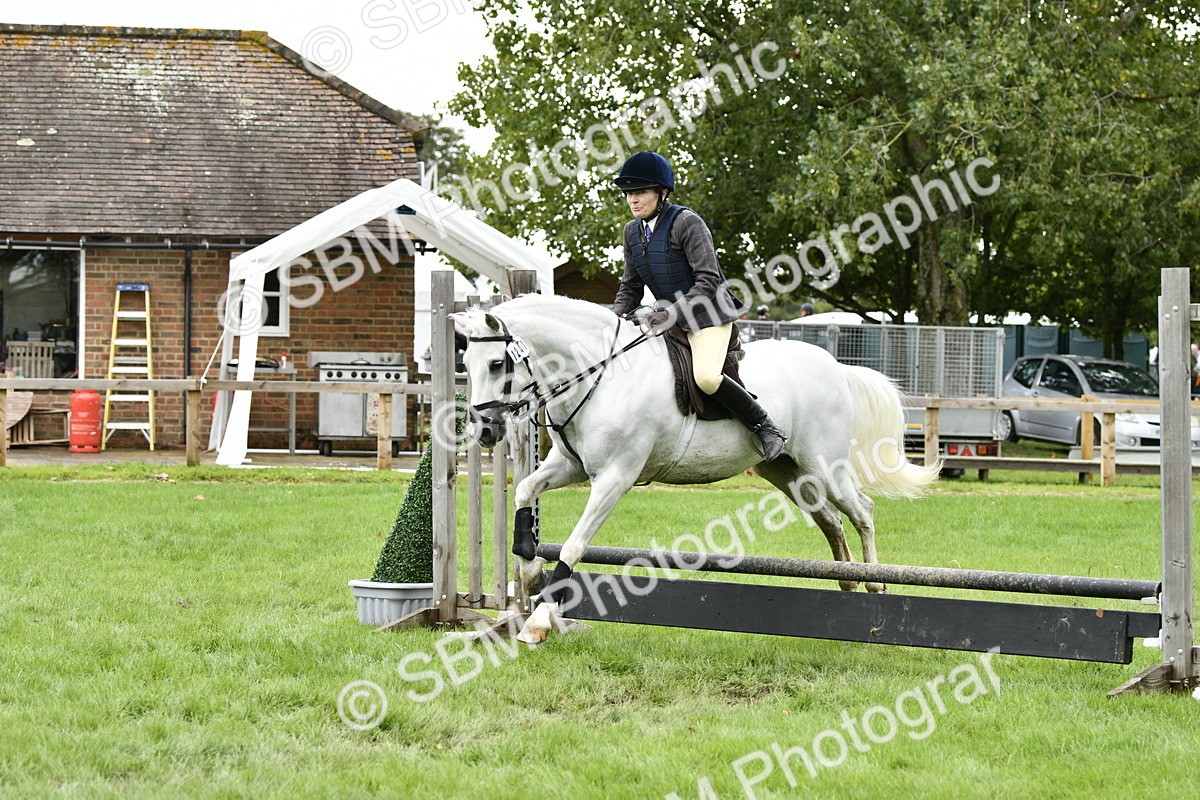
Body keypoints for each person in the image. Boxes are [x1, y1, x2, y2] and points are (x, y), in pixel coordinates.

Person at [609, 150, 786, 460]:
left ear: (662, 193)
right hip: (670, 319)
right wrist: (610, 324)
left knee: (705, 376)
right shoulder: (631, 232)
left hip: (709, 316)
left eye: (640, 192)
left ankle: (765, 426)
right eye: (628, 193)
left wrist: (669, 314)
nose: (633, 199)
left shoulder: (686, 222)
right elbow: (631, 287)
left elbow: (708, 281)